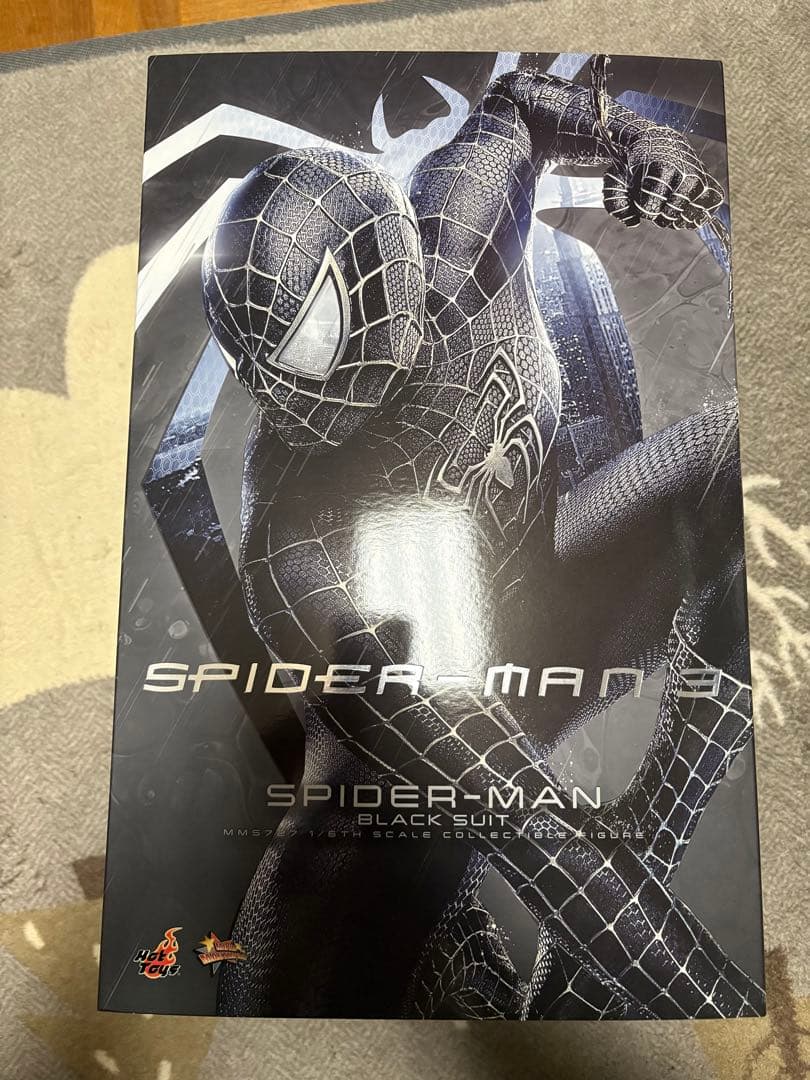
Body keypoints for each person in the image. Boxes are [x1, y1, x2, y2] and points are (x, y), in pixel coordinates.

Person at [202, 67, 762, 1019]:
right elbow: (531, 828)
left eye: (303, 341)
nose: (285, 396)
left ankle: (653, 825)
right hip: (374, 877)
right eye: (254, 362)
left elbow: (524, 107)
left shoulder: (461, 224)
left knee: (740, 465)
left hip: (539, 629)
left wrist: (636, 143)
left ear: (385, 268)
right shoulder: (294, 546)